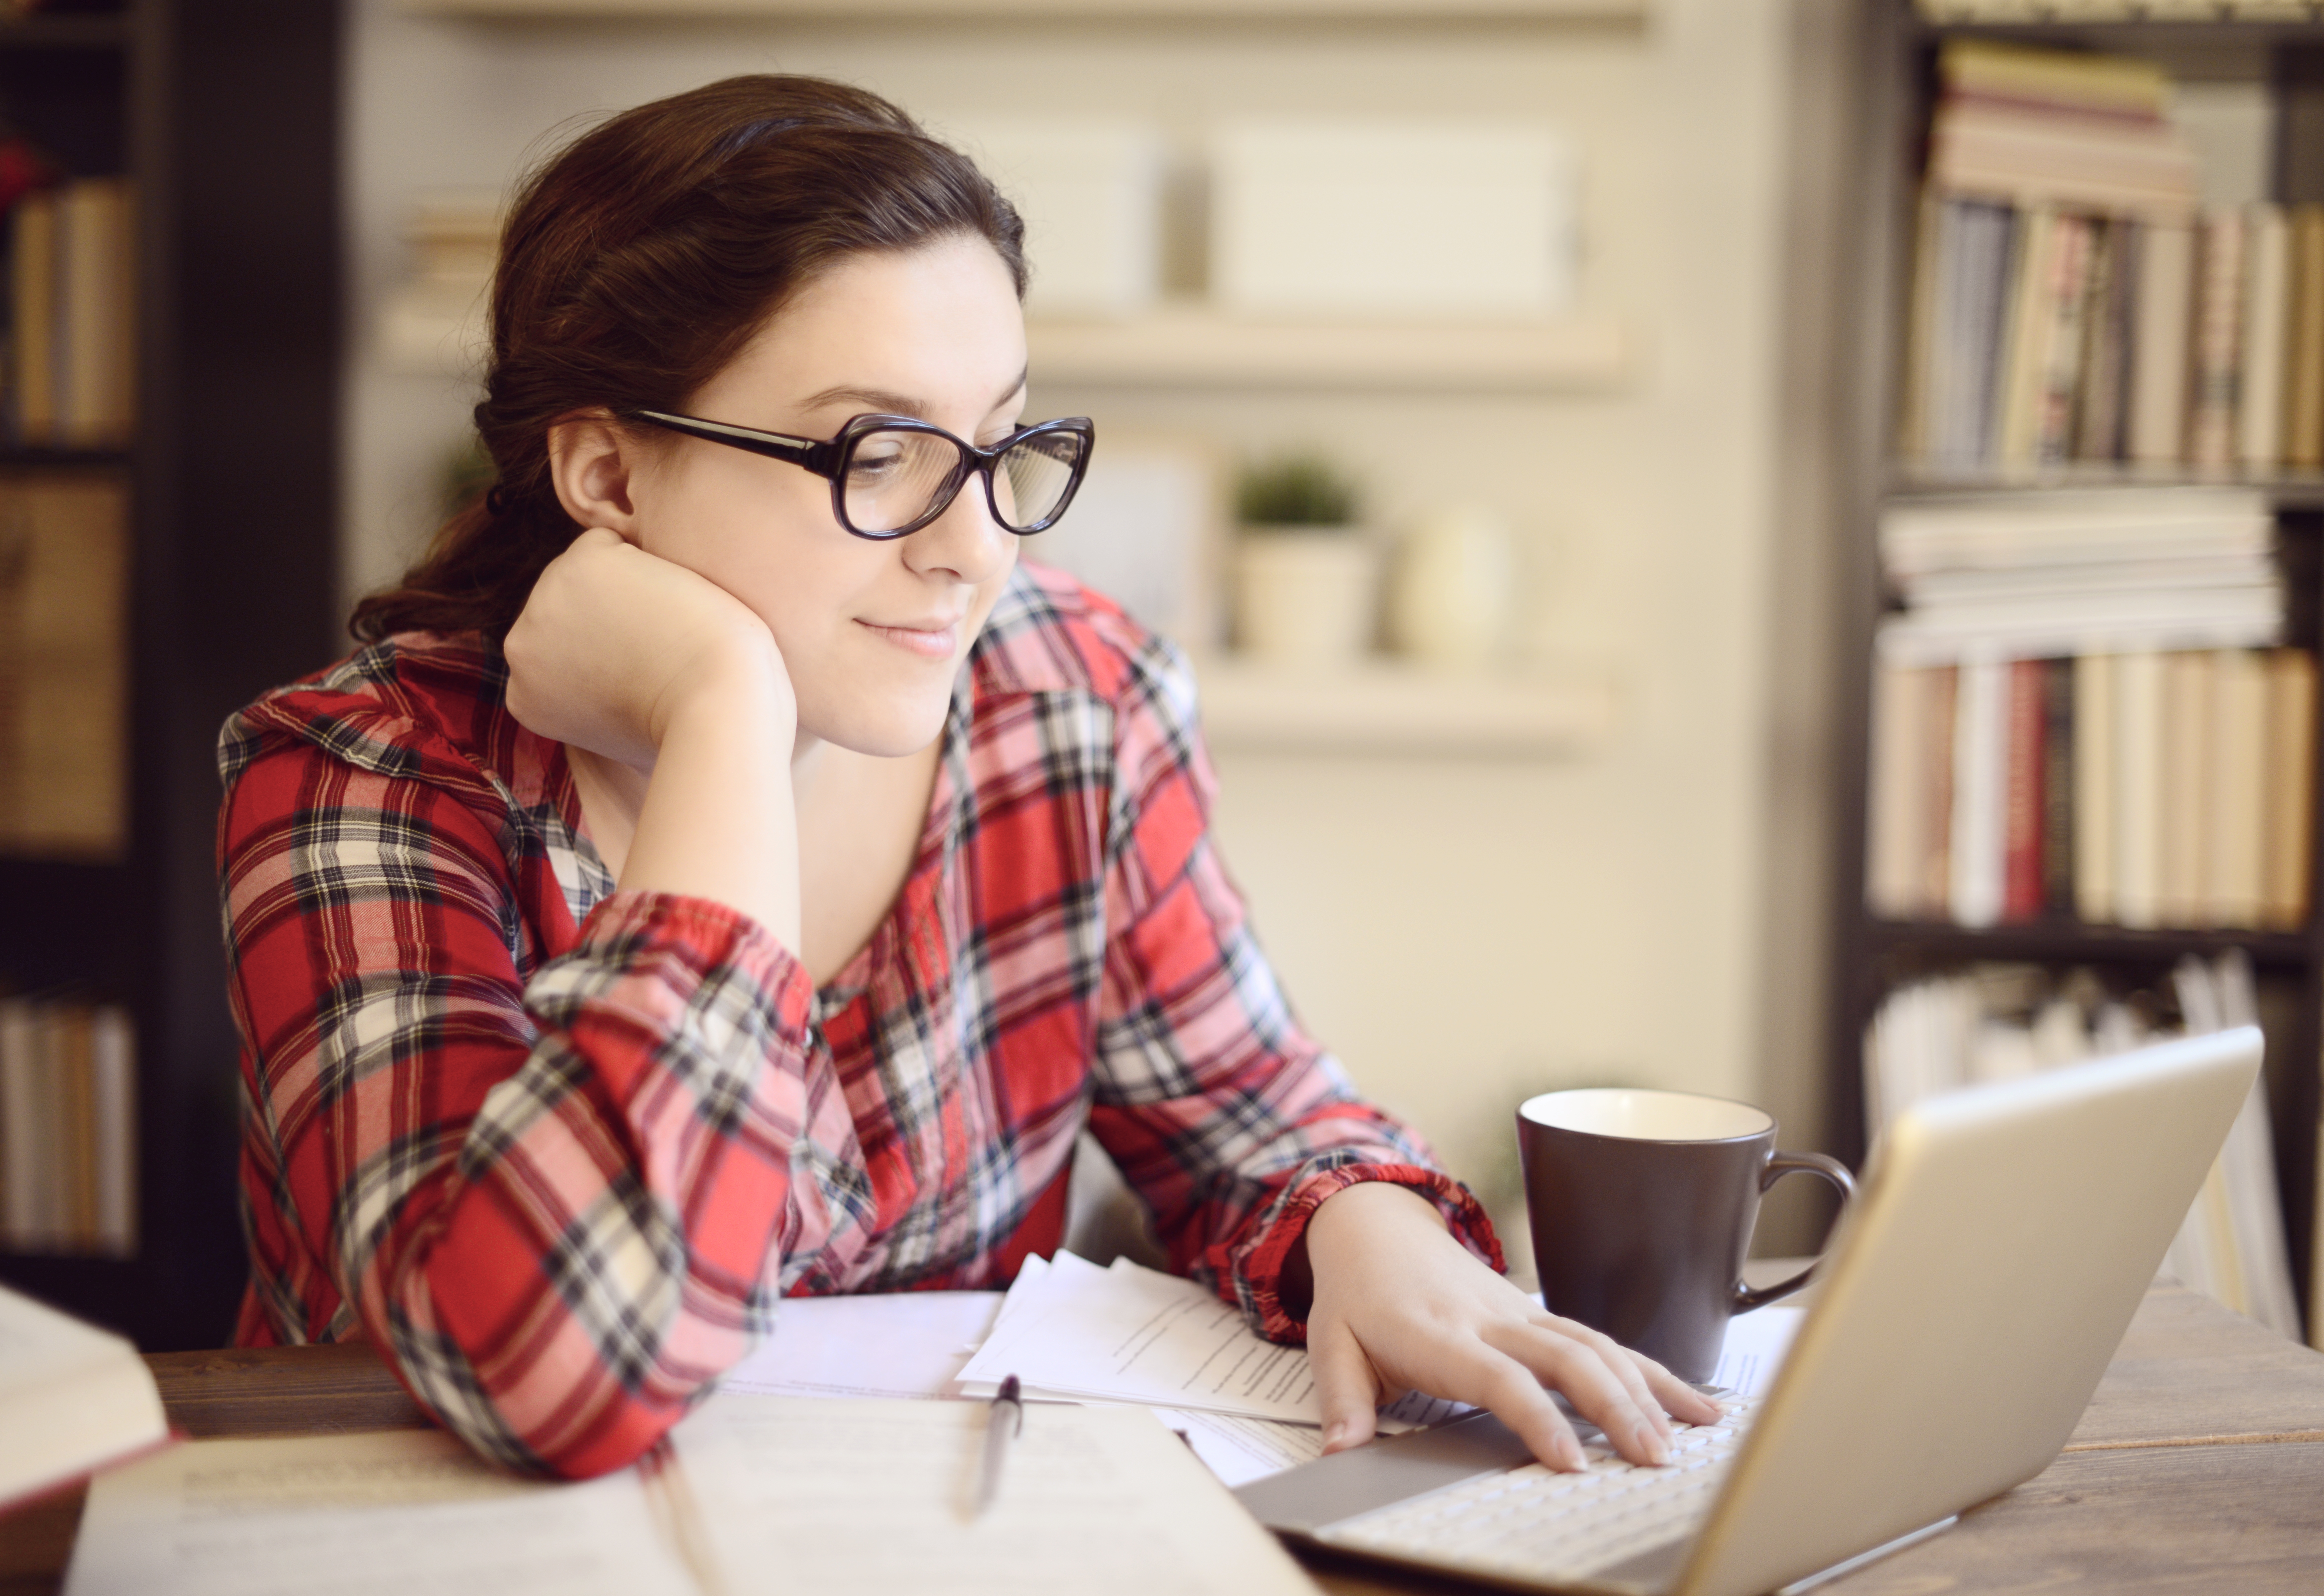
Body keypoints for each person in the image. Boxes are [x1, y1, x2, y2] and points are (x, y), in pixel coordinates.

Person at [216, 74, 1717, 1480]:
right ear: (606, 476)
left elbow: (1249, 1105)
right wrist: (721, 718)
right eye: (875, 452)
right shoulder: (361, 781)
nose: (974, 546)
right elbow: (552, 1370)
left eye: (996, 440)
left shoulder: (1064, 698)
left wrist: (1366, 1223)